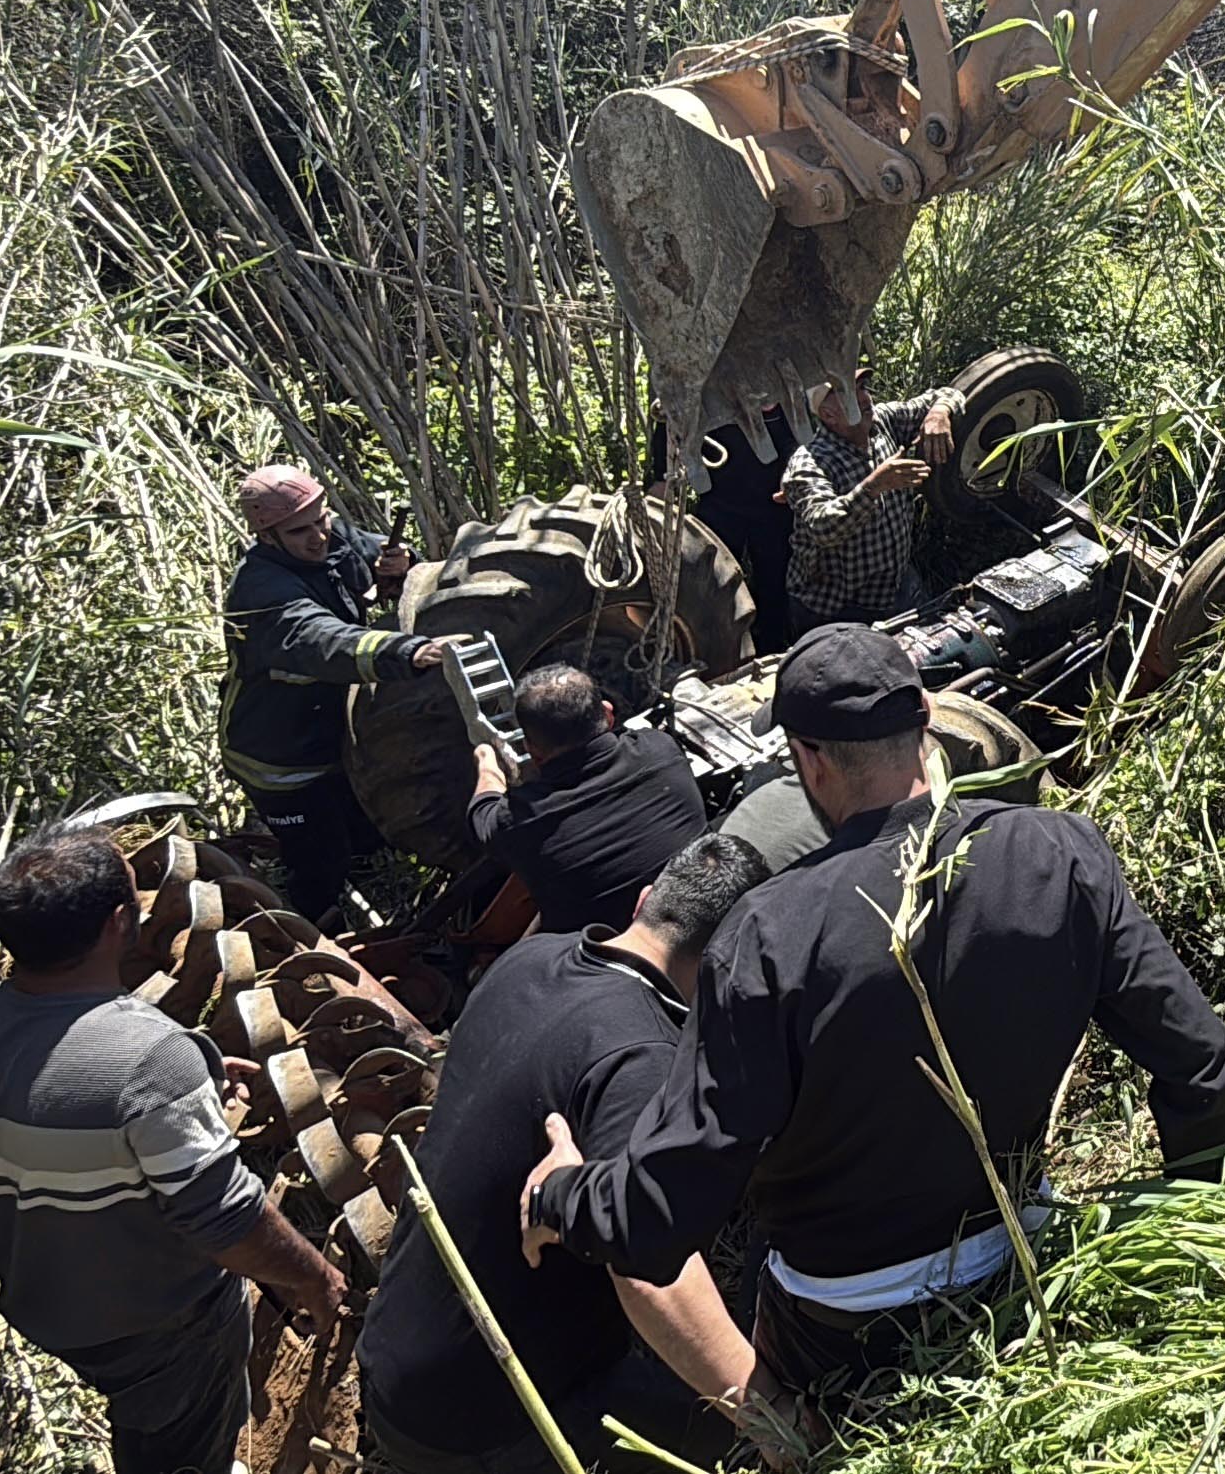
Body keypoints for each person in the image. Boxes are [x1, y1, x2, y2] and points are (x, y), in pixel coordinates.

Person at [517, 624, 1225, 1404]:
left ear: (810, 759)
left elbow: (659, 1220)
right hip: (1025, 1265)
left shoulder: (768, 932)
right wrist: (1191, 1242)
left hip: (842, 1329)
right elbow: (1204, 1066)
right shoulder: (1060, 851)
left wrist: (562, 1194)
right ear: (926, 721)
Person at [0, 829, 351, 1474]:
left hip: (43, 1302)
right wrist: (317, 1277)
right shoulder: (150, 1059)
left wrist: (186, 1085)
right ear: (121, 922)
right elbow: (226, 1223)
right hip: (160, 1328)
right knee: (178, 1450)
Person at [359, 835, 802, 1472]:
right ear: (727, 964)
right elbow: (650, 1274)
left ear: (645, 901)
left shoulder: (530, 959)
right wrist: (771, 1418)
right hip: (483, 1425)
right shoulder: (644, 1060)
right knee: (725, 1437)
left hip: (395, 1357)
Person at [221, 462, 449, 921]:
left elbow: (370, 556)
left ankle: (359, 879)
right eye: (300, 530)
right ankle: (303, 932)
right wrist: (406, 652)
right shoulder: (261, 593)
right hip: (281, 759)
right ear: (268, 537)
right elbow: (324, 642)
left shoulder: (332, 537)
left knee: (366, 833)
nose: (319, 536)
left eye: (321, 519)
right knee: (319, 863)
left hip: (332, 736)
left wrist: (401, 567)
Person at [468, 663, 711, 937]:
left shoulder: (520, 822)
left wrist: (486, 760)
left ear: (531, 750)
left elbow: (482, 812)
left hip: (602, 956)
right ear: (608, 714)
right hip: (702, 918)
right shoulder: (660, 747)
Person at [775, 370, 959, 625]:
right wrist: (874, 486)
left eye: (861, 386)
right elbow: (823, 527)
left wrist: (939, 414)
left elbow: (951, 392)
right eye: (846, 392)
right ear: (828, 415)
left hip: (896, 588)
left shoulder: (883, 420)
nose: (864, 397)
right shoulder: (810, 462)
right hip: (837, 608)